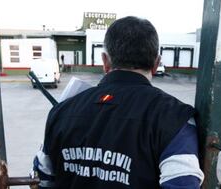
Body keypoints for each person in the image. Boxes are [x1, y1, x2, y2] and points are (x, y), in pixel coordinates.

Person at [33, 16, 204, 189]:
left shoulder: (61, 111)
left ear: (105, 62)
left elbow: (43, 178)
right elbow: (184, 183)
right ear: (156, 63)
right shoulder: (175, 118)